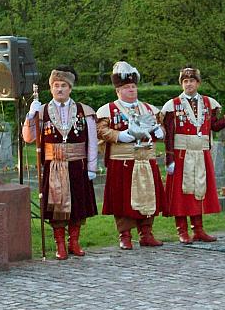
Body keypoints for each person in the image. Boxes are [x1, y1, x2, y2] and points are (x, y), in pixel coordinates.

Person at [21, 66, 98, 260]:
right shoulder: (42, 111)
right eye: (56, 85)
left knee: (77, 205)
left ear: (70, 88)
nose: (60, 89)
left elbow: (92, 140)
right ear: (51, 88)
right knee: (57, 207)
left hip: (77, 165)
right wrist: (30, 115)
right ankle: (60, 244)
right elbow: (28, 138)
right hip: (53, 165)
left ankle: (74, 242)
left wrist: (92, 167)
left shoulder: (84, 111)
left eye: (64, 85)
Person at [161, 66, 225, 243]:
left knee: (199, 190)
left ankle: (198, 229)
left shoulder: (208, 103)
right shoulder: (172, 105)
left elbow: (215, 126)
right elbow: (169, 135)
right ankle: (182, 230)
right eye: (185, 81)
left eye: (192, 81)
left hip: (201, 152)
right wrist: (169, 158)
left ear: (198, 83)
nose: (188, 84)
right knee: (181, 195)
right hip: (181, 153)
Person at [96, 61, 166, 250]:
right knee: (122, 199)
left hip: (146, 159)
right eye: (127, 87)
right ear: (118, 90)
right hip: (122, 160)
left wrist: (160, 132)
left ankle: (146, 233)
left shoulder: (149, 109)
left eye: (134, 86)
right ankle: (125, 235)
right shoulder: (108, 110)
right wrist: (119, 135)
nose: (131, 90)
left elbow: (161, 127)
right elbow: (100, 131)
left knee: (149, 195)